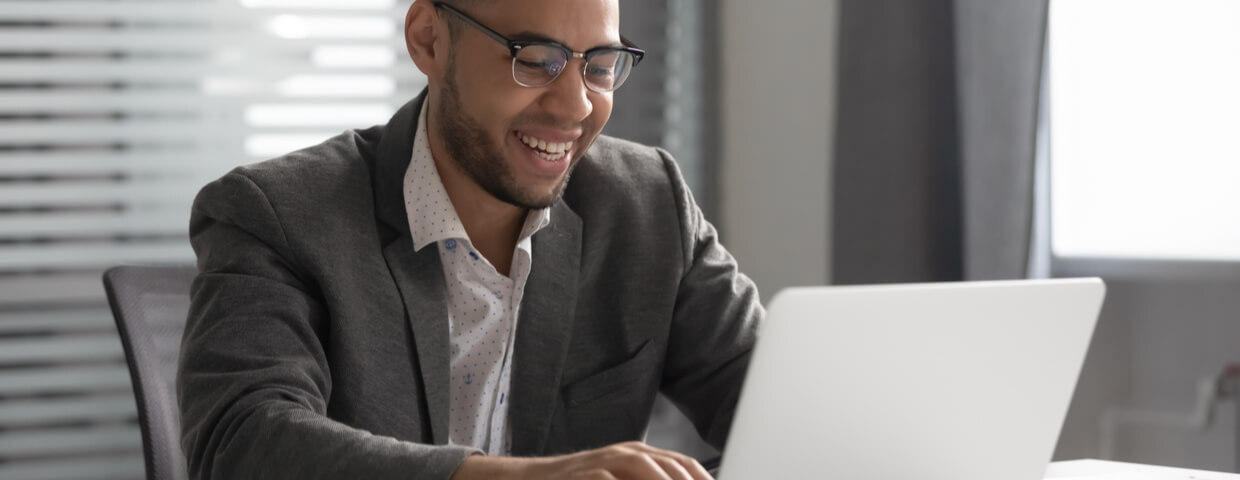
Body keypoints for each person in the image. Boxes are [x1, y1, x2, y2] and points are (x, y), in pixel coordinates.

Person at [177, 0, 762, 478]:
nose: (577, 104)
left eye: (600, 64)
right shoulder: (278, 214)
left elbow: (782, 407)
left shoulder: (647, 203)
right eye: (536, 60)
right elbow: (240, 442)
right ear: (429, 40)